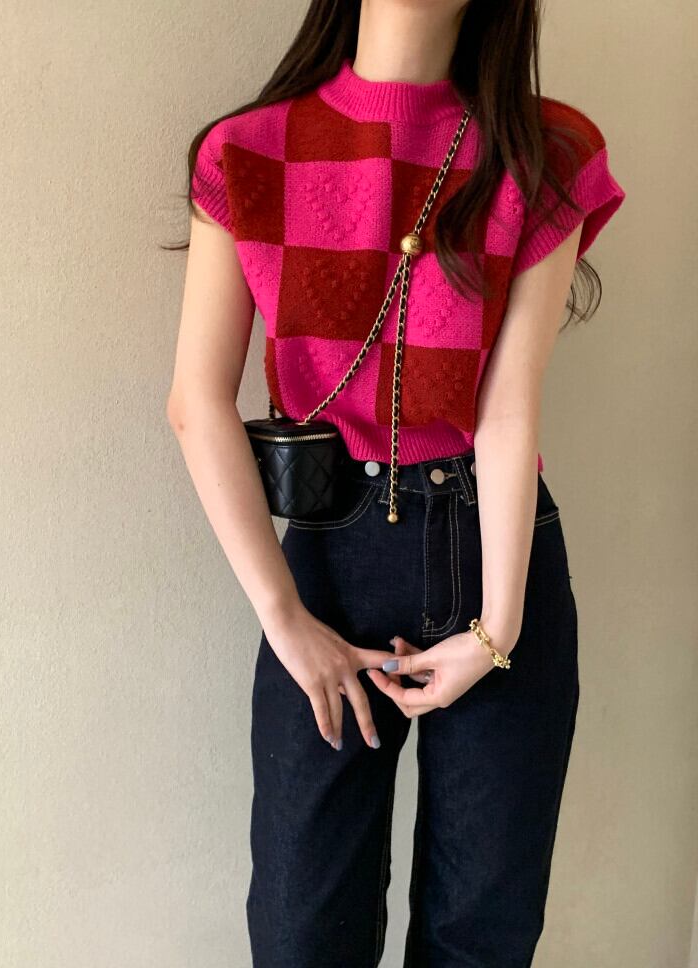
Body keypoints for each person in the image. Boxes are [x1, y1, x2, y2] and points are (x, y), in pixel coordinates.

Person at [167, 0, 625, 964]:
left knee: (482, 931)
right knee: (301, 928)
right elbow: (196, 403)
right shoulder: (246, 154)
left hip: (496, 551)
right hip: (325, 564)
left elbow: (509, 410)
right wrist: (285, 620)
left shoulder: (543, 155)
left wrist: (498, 630)